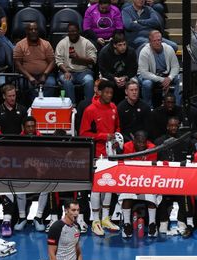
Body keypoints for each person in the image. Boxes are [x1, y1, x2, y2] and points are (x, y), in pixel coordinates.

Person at [79, 79, 121, 237]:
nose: (109, 95)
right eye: (106, 92)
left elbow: (117, 127)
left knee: (109, 186)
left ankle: (105, 218)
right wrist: (104, 136)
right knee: (97, 187)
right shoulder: (90, 110)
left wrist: (116, 139)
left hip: (111, 154)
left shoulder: (113, 108)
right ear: (99, 92)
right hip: (96, 154)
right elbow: (83, 133)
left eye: (111, 93)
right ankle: (95, 220)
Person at [137, 29, 181, 108]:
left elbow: (175, 67)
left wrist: (169, 78)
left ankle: (177, 106)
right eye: (155, 40)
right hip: (149, 76)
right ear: (150, 41)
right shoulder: (144, 52)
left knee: (180, 79)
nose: (157, 42)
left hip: (166, 75)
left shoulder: (169, 49)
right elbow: (144, 73)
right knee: (147, 84)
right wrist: (162, 80)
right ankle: (148, 108)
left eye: (159, 40)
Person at [13, 22, 57, 100]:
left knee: (51, 83)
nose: (33, 31)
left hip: (45, 74)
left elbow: (52, 61)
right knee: (27, 86)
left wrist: (45, 75)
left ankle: (44, 106)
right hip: (26, 76)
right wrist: (29, 77)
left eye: (35, 29)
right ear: (26, 31)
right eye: (31, 29)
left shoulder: (46, 44)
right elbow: (17, 64)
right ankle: (33, 106)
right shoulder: (20, 45)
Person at [55, 22, 97, 104]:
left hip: (83, 71)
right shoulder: (62, 43)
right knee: (67, 81)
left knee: (89, 80)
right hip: (67, 71)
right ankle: (72, 106)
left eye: (74, 31)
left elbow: (93, 60)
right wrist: (66, 72)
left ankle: (89, 105)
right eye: (70, 31)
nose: (72, 33)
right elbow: (58, 61)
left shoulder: (86, 43)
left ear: (78, 31)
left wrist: (79, 58)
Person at [98, 31, 138, 103]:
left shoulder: (131, 52)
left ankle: (134, 106)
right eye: (120, 45)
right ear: (114, 45)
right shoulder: (104, 53)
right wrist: (114, 78)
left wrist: (125, 77)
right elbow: (103, 71)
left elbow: (134, 69)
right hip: (110, 77)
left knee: (135, 83)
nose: (123, 47)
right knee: (104, 84)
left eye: (124, 44)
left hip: (126, 76)